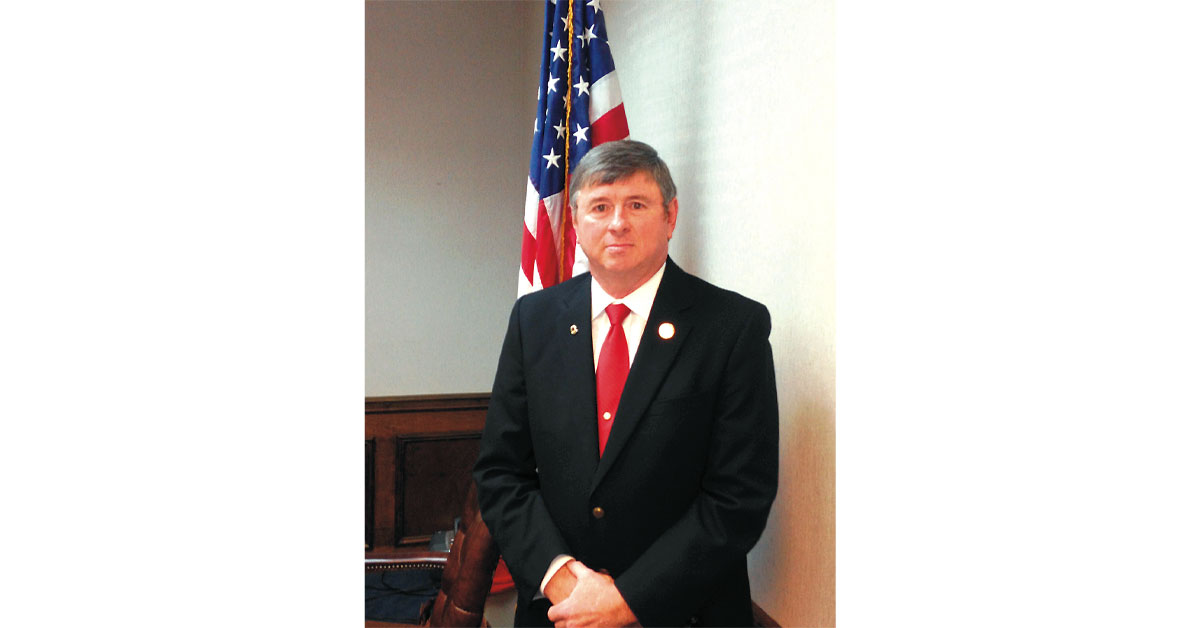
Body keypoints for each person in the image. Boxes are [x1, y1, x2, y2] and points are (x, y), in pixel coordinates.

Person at [474, 140, 778, 627]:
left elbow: (739, 497)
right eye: (600, 206)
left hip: (683, 615)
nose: (617, 222)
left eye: (637, 205)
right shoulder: (534, 320)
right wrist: (562, 579)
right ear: (576, 222)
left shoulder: (732, 327)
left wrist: (629, 599)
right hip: (560, 612)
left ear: (670, 216)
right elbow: (500, 472)